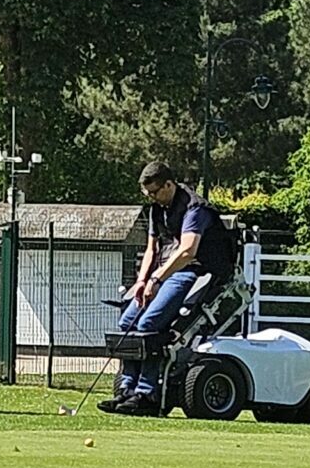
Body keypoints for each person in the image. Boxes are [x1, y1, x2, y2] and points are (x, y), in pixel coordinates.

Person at [101, 161, 238, 415]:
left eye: (155, 192)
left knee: (148, 325)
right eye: (147, 194)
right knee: (127, 321)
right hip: (162, 272)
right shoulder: (156, 208)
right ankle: (126, 390)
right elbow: (152, 249)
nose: (152, 198)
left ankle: (146, 394)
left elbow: (187, 251)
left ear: (169, 184)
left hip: (193, 271)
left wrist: (156, 280)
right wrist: (142, 281)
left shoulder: (194, 208)